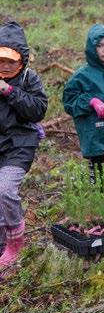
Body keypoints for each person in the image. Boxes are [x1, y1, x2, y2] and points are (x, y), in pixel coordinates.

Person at [0, 22, 48, 273]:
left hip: (20, 144)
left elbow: (38, 109)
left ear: (22, 60)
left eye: (11, 61)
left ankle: (15, 239)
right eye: (1, 60)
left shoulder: (29, 79)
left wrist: (9, 91)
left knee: (5, 189)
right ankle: (2, 247)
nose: (6, 66)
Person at [63, 25, 104, 180]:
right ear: (92, 48)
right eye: (99, 46)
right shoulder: (81, 76)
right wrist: (91, 101)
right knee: (98, 176)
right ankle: (99, 201)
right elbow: (69, 101)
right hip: (95, 135)